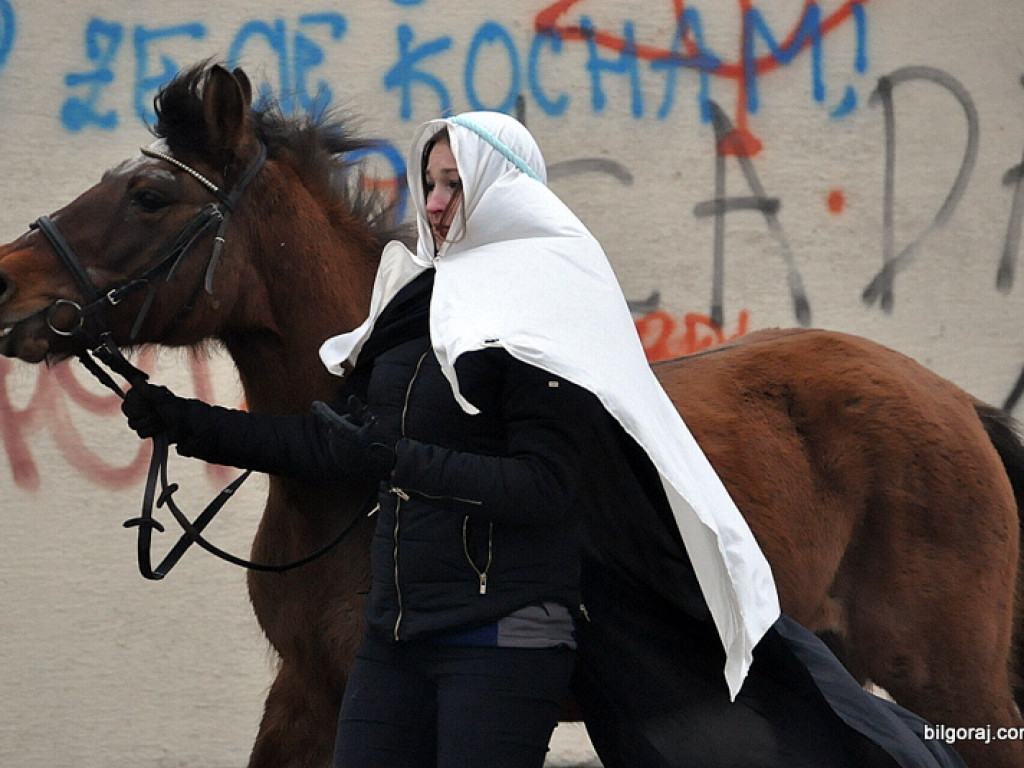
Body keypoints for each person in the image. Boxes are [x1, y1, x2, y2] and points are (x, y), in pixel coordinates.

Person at [122, 111, 965, 768]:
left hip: (500, 637)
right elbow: (342, 447)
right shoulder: (413, 305)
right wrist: (185, 422)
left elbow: (545, 486)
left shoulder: (543, 315)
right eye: (431, 182)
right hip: (398, 632)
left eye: (456, 184)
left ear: (503, 189)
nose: (437, 202)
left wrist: (401, 461)